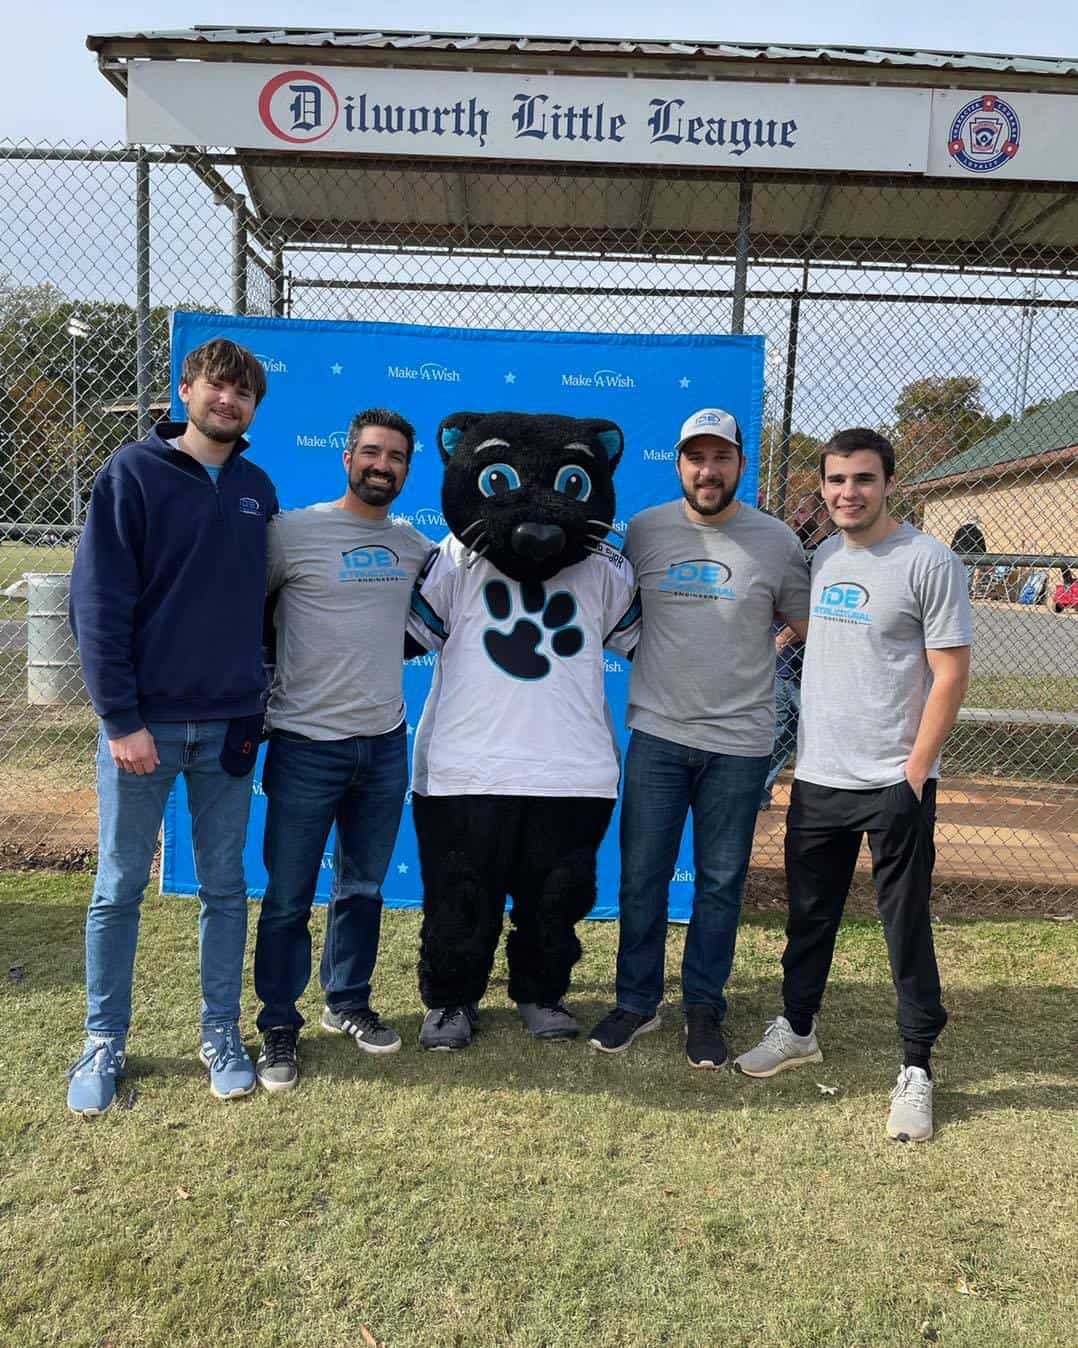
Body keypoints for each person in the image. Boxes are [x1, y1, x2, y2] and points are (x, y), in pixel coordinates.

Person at [735, 428, 972, 1144]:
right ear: (823, 487)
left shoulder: (929, 561)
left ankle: (917, 1065)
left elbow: (951, 673)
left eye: (863, 479)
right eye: (836, 480)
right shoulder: (825, 557)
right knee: (809, 917)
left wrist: (914, 772)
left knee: (904, 926)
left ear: (889, 483)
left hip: (895, 781)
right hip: (820, 777)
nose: (848, 493)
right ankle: (798, 1028)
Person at [66, 338, 277, 1115]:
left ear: (253, 408)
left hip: (228, 731)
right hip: (143, 730)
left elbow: (265, 610)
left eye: (243, 393)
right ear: (185, 390)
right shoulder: (133, 473)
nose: (229, 401)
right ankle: (103, 1039)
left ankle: (221, 1032)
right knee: (120, 887)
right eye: (217, 386)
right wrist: (120, 719)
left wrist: (255, 704)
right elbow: (97, 604)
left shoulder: (257, 488)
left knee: (225, 889)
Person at [588, 407, 810, 1069]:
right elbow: (606, 602)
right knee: (642, 878)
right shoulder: (645, 531)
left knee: (719, 883)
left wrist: (773, 645)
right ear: (679, 463)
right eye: (696, 457)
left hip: (740, 744)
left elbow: (810, 624)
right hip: (657, 735)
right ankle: (637, 1001)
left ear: (741, 463)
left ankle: (704, 1006)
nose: (708, 471)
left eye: (721, 457)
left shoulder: (776, 542)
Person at [252, 409, 432, 1092]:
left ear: (407, 469)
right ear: (347, 457)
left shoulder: (413, 545)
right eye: (372, 452)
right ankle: (278, 1023)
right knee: (288, 897)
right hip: (304, 746)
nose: (383, 465)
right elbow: (244, 613)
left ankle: (347, 1001)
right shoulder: (290, 533)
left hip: (383, 745)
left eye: (396, 457)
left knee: (362, 887)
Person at [759, 493, 834, 811]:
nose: (796, 516)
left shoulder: (831, 552)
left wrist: (783, 638)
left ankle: (824, 797)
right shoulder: (797, 547)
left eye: (803, 511)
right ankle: (758, 792)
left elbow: (815, 605)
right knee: (780, 732)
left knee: (818, 732)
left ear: (822, 515)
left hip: (811, 665)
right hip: (786, 666)